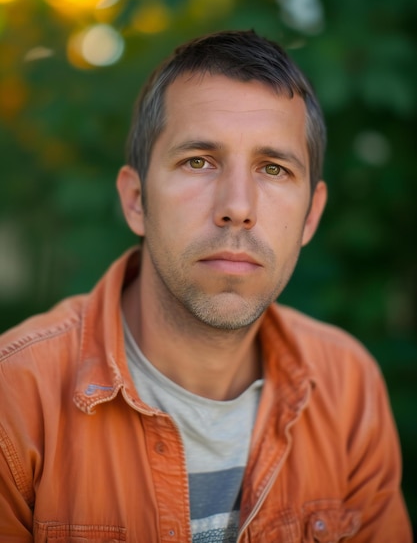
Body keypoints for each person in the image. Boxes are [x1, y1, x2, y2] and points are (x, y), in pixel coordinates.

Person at [0, 30, 412, 542]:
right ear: (135, 200)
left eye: (273, 168)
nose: (237, 206)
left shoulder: (348, 387)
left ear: (311, 216)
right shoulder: (13, 402)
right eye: (198, 161)